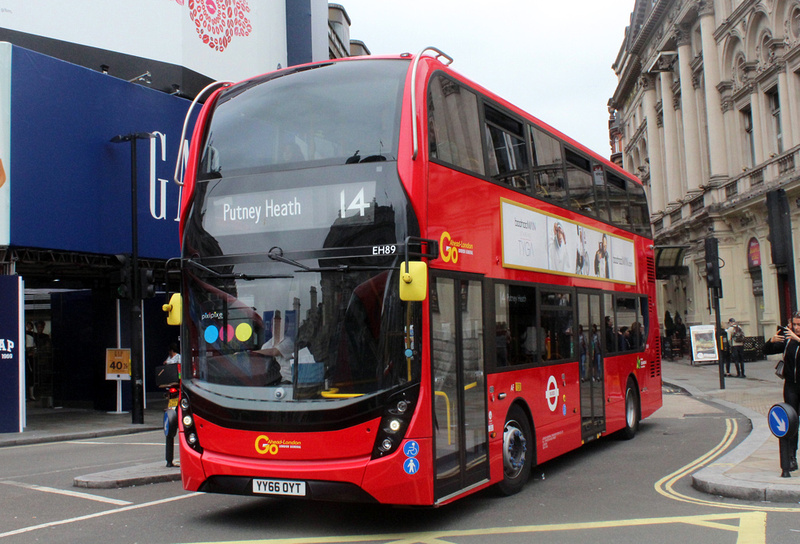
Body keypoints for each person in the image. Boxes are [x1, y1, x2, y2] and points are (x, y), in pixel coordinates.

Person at [764, 313, 800, 472]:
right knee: (792, 421)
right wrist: (771, 342)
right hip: (791, 386)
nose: (797, 328)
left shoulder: (796, 339)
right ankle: (791, 457)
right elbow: (765, 350)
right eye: (794, 324)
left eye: (799, 325)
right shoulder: (788, 341)